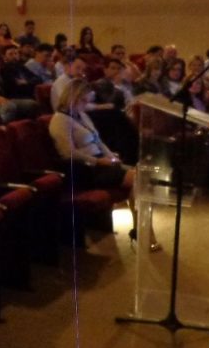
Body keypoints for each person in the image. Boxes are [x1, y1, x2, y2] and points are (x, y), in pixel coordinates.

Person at [49, 79, 156, 249]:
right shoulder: (59, 120)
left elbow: (98, 141)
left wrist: (112, 157)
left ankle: (141, 231)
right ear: (72, 97)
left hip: (101, 163)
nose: (86, 104)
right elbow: (68, 153)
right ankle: (144, 234)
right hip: (86, 169)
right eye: (83, 100)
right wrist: (100, 161)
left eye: (87, 100)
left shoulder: (81, 115)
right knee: (138, 179)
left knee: (142, 178)